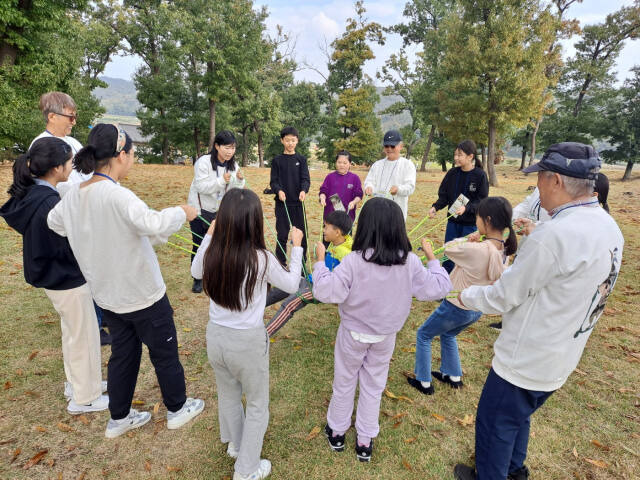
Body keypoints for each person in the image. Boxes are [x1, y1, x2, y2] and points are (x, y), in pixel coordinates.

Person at [453, 142, 624, 480]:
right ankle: (515, 469)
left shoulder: (555, 235)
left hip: (526, 358)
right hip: (562, 353)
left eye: (539, 180)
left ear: (556, 181)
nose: (537, 189)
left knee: (495, 423)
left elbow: (504, 295)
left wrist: (462, 294)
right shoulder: (608, 227)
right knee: (519, 416)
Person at [47, 124, 205, 438]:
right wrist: (183, 212)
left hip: (107, 295)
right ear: (121, 155)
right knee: (164, 352)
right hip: (142, 293)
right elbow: (155, 226)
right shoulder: (118, 196)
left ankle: (118, 417)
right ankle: (177, 407)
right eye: (132, 153)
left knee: (124, 353)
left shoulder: (74, 195)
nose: (132, 158)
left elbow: (55, 222)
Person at [312, 198, 451, 462]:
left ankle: (338, 431)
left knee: (344, 381)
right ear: (398, 228)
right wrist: (433, 259)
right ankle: (364, 440)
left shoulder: (354, 261)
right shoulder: (408, 261)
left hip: (353, 334)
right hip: (385, 336)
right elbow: (438, 288)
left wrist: (320, 262)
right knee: (373, 385)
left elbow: (326, 291)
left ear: (364, 226)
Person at [191, 189, 304, 480]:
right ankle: (246, 469)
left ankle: (236, 444)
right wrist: (296, 247)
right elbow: (292, 284)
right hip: (247, 342)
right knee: (256, 404)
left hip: (216, 337)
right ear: (255, 222)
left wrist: (208, 236)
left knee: (228, 393)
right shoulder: (261, 258)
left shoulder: (213, 252)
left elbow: (195, 268)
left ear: (223, 220)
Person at [0, 137, 108, 414]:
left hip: (53, 277)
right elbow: (64, 244)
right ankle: (86, 397)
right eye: (70, 163)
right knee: (83, 335)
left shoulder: (33, 195)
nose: (72, 168)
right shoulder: (48, 202)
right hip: (66, 278)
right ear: (57, 168)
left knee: (73, 332)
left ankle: (79, 384)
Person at [408, 197, 516, 396]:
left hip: (456, 304)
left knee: (424, 335)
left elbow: (449, 248)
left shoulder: (478, 249)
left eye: (478, 218)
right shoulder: (504, 248)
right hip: (476, 308)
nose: (476, 221)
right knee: (449, 334)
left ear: (488, 220)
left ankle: (423, 381)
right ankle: (453, 375)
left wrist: (468, 238)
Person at [31, 91, 110, 344]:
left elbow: (86, 175)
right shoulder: (41, 146)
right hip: (68, 219)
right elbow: (56, 187)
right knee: (81, 274)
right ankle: (93, 326)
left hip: (88, 213)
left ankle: (100, 315)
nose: (73, 121)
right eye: (70, 117)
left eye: (75, 117)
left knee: (95, 269)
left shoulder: (73, 143)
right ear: (52, 116)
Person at [265, 211, 353, 337]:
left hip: (318, 288)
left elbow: (339, 282)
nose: (323, 230)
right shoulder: (336, 244)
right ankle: (248, 308)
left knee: (289, 304)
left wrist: (321, 257)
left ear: (337, 232)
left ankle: (264, 335)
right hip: (311, 281)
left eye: (326, 227)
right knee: (284, 287)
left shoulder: (345, 254)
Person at [187, 130, 245, 293]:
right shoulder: (203, 162)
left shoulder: (233, 165)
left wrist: (240, 181)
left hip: (219, 211)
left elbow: (235, 188)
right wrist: (221, 180)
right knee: (199, 243)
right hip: (199, 210)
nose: (230, 151)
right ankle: (197, 278)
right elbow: (201, 187)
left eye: (233, 148)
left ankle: (216, 275)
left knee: (219, 245)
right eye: (227, 147)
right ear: (216, 146)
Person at [429, 140, 489, 273]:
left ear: (470, 156)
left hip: (470, 224)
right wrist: (435, 207)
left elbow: (482, 201)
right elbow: (444, 196)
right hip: (452, 222)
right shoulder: (452, 174)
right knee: (449, 254)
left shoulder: (480, 176)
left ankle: (463, 288)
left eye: (460, 155)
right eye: (455, 154)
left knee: (466, 257)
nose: (456, 158)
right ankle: (444, 285)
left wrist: (466, 208)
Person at [269, 126, 310, 265]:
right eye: (287, 140)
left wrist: (304, 190)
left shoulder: (301, 159)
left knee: (301, 235)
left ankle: (301, 263)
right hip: (282, 204)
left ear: (297, 141)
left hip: (298, 204)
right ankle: (280, 263)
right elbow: (273, 181)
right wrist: (279, 191)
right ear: (282, 141)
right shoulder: (277, 160)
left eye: (293, 140)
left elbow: (306, 179)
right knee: (282, 235)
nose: (290, 143)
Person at [363, 130, 416, 220]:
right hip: (377, 211)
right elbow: (369, 181)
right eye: (386, 146)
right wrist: (369, 187)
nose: (389, 149)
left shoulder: (407, 165)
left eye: (392, 146)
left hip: (396, 213)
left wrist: (398, 189)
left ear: (401, 146)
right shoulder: (377, 164)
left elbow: (410, 187)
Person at [319, 150, 363, 222]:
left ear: (350, 164)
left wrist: (353, 202)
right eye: (339, 162)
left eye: (345, 163)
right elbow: (323, 191)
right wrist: (322, 198)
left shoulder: (355, 178)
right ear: (336, 163)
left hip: (347, 216)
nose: (341, 165)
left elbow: (359, 195)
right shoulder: (330, 177)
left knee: (345, 232)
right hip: (330, 216)